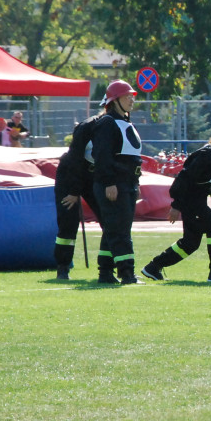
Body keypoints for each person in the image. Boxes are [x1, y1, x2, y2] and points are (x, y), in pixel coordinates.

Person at [142, 115, 211, 283]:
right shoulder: (206, 155)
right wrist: (176, 205)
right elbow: (183, 180)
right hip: (189, 200)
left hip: (197, 200)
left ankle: (153, 267)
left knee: (190, 243)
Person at [91, 80, 144, 285]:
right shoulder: (107, 123)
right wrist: (109, 183)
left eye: (132, 95)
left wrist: (135, 184)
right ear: (115, 100)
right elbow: (102, 155)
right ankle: (127, 274)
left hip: (127, 184)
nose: (132, 99)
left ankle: (105, 272)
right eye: (127, 95)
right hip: (114, 185)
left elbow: (131, 159)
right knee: (120, 230)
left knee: (114, 229)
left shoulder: (126, 122)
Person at [52, 110, 107, 280]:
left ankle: (107, 268)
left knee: (108, 219)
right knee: (68, 221)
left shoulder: (118, 126)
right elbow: (75, 161)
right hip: (70, 175)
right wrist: (74, 191)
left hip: (93, 175)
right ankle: (63, 266)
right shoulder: (88, 127)